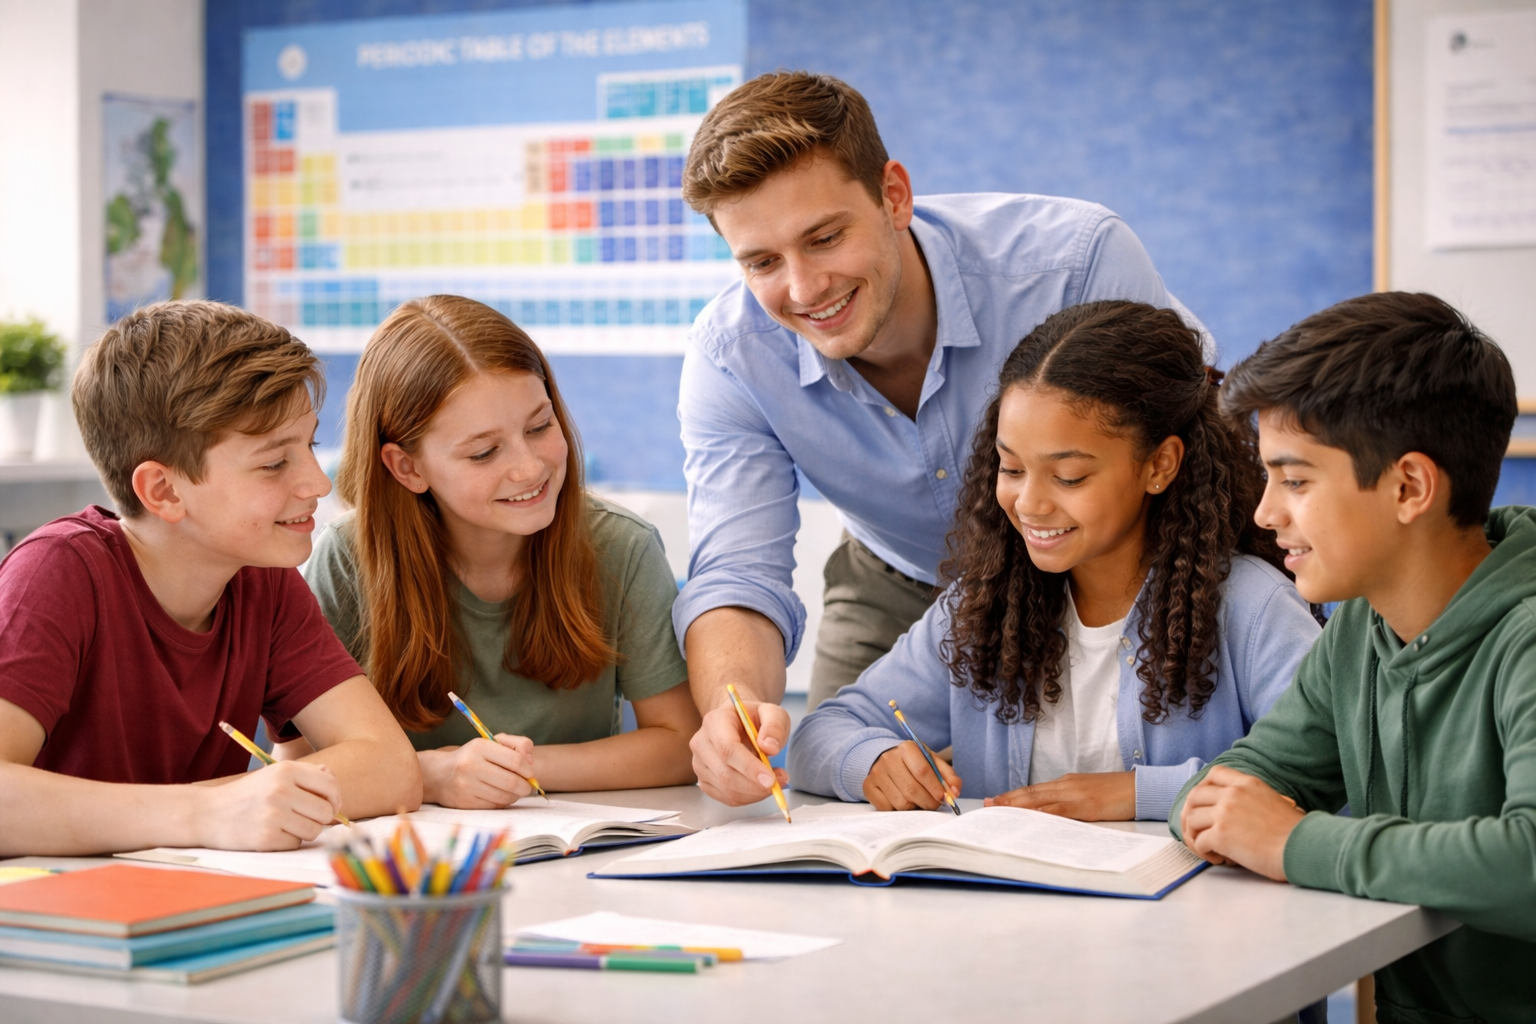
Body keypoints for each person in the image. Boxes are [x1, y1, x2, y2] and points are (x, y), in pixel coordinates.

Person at [676, 70, 1213, 807]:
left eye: (825, 237)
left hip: (1116, 579)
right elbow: (739, 572)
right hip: (897, 576)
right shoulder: (729, 355)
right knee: (837, 801)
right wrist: (733, 716)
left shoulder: (1075, 263)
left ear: (894, 195)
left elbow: (1200, 457)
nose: (802, 289)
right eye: (761, 262)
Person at [790, 301, 1319, 819]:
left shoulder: (1254, 607)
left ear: (1160, 465)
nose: (1029, 504)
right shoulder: (982, 605)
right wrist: (871, 761)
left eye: (1068, 477)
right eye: (1012, 468)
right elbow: (822, 733)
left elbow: (1322, 770)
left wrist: (1138, 794)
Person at [1171, 292, 1536, 1024]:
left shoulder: (1525, 635)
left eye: (1296, 480)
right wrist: (1220, 812)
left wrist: (1299, 841)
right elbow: (1233, 789)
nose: (1264, 513)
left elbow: (1527, 865)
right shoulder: (1360, 626)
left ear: (1409, 487)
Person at [0, 301, 421, 856]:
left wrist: (218, 805)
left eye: (310, 446)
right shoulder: (56, 573)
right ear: (165, 492)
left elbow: (390, 765)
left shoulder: (261, 581)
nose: (318, 484)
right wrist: (204, 812)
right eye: (274, 463)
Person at [295, 295, 698, 808]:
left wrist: (517, 769)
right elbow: (299, 767)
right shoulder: (347, 559)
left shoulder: (622, 546)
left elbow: (680, 743)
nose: (530, 468)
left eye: (540, 427)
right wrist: (431, 775)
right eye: (484, 452)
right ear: (407, 468)